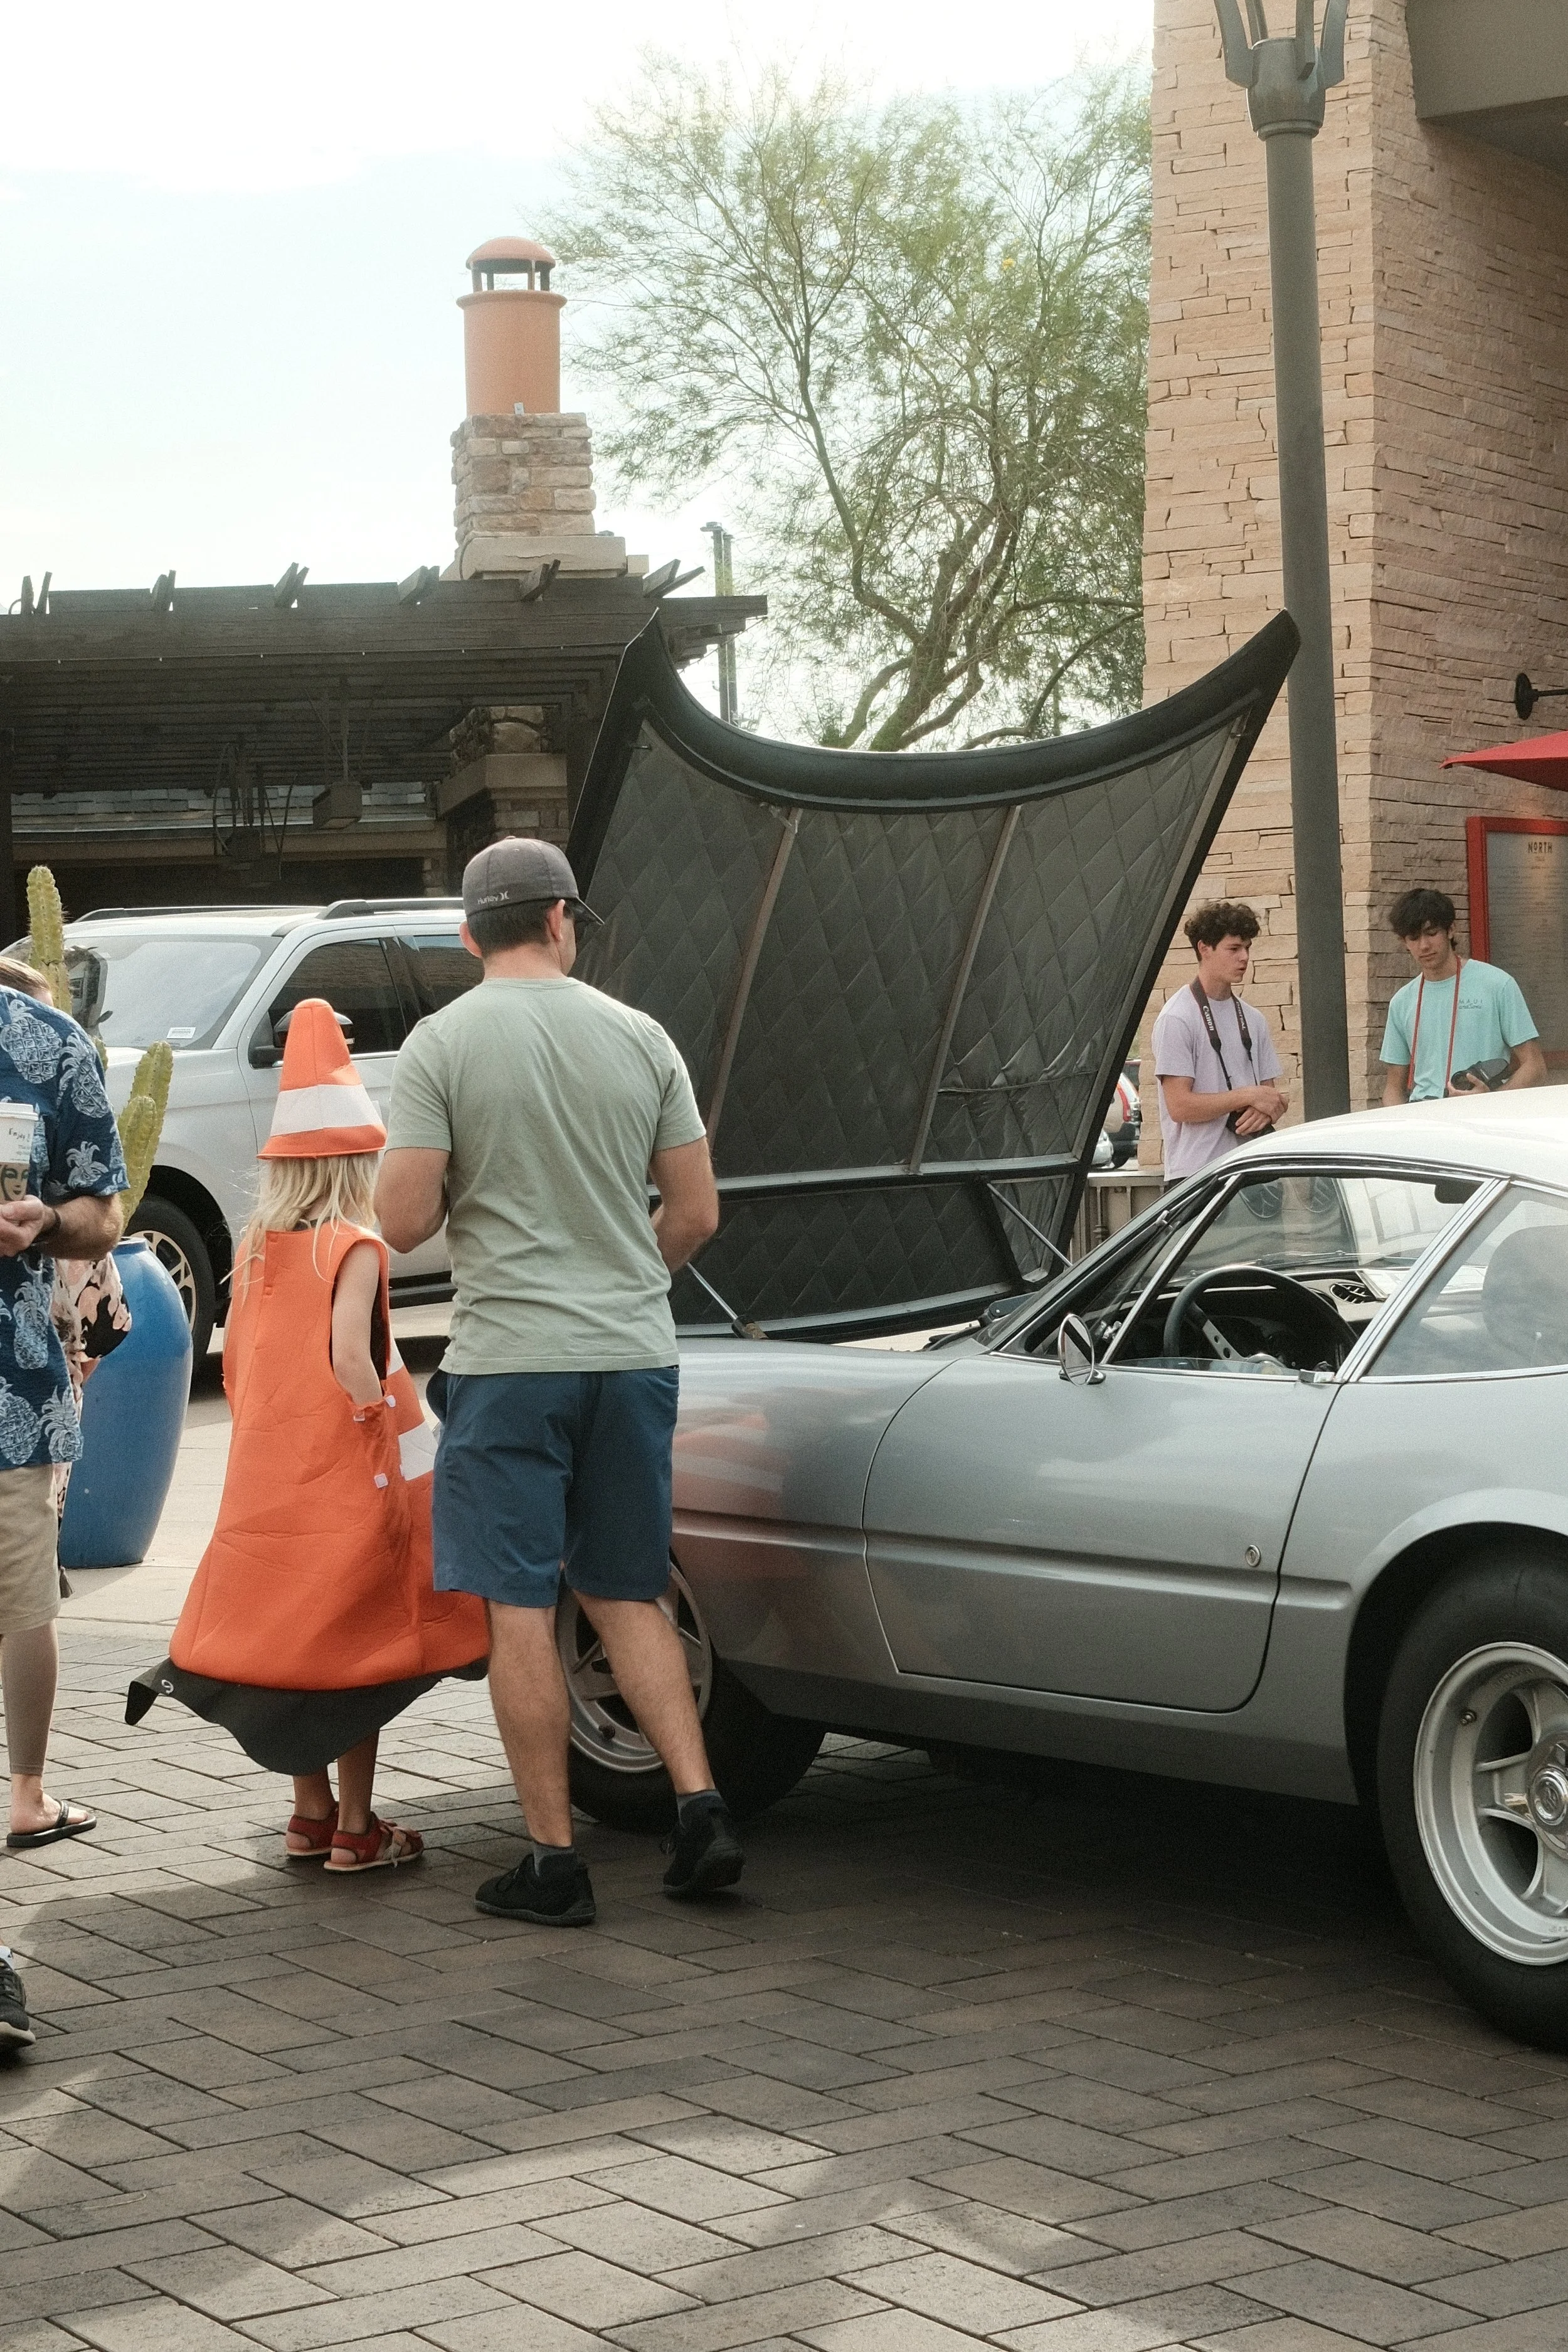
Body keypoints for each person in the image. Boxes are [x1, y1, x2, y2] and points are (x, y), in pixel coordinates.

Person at [377, 837, 731, 1930]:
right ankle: (701, 1808)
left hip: (511, 1364)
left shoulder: (441, 1045)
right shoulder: (641, 1037)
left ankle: (552, 1862)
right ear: (564, 920)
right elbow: (698, 1213)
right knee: (629, 1587)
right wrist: (625, 1278)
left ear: (468, 935)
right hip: (632, 1356)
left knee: (520, 1604)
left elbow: (400, 1223)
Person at [128, 1000, 489, 1872]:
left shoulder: (257, 1244)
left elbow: (253, 1357)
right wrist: (385, 1430)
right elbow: (352, 1361)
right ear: (354, 1156)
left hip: (272, 1475)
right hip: (347, 1472)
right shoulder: (354, 1243)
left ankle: (308, 1811)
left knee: (299, 1640)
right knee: (359, 1648)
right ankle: (358, 1828)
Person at [0, 953, 125, 2048]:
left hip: (9, 1400)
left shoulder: (45, 1046)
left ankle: (26, 1789)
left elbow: (104, 1207)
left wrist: (47, 1225)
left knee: (21, 1610)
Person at [1152, 901, 1289, 1184]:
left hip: (1253, 1170)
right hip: (1198, 1175)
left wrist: (1271, 1107)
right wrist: (1248, 1097)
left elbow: (1270, 1096)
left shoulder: (1254, 1019)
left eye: (1247, 948)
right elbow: (1180, 1107)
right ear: (1204, 949)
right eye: (1234, 949)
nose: (1245, 958)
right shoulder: (1177, 1018)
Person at [1380, 888, 1545, 1104]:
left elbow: (1535, 1067)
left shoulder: (1497, 984)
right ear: (1404, 942)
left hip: (1482, 1117)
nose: (1424, 946)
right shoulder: (1402, 1002)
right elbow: (1393, 1088)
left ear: (1451, 930)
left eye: (1432, 934)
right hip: (1424, 1118)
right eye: (1414, 938)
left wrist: (1491, 1101)